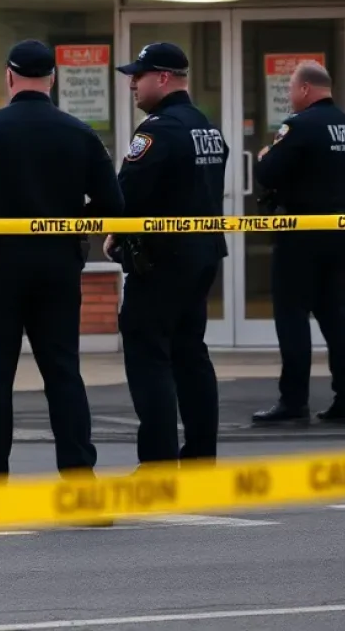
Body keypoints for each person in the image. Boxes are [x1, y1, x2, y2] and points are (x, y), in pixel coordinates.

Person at [0, 40, 123, 480]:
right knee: (63, 375)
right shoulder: (79, 132)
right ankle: (80, 484)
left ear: (8, 76)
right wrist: (75, 221)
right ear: (53, 79)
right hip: (58, 268)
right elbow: (114, 203)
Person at [107, 42, 228, 466]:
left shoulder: (158, 130)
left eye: (137, 77)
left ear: (162, 78)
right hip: (202, 255)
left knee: (149, 357)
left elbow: (126, 194)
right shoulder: (204, 126)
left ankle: (157, 466)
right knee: (190, 354)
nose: (132, 85)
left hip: (161, 261)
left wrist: (114, 233)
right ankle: (200, 459)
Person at [252, 61, 345, 426]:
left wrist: (266, 156)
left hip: (301, 232)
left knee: (292, 315)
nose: (289, 95)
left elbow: (268, 173)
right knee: (335, 315)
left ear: (304, 89)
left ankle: (293, 401)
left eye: (290, 89)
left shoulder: (298, 126)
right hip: (339, 232)